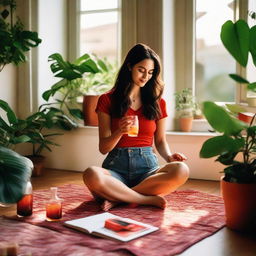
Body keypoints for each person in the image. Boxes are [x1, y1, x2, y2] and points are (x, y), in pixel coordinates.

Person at [83, 43, 189, 211]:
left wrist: (169, 157)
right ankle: (143, 199)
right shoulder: (107, 99)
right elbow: (104, 148)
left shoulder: (158, 103)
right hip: (116, 169)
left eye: (151, 72)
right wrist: (119, 131)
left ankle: (120, 198)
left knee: (181, 170)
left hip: (147, 170)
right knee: (91, 174)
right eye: (141, 70)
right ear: (129, 66)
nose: (146, 76)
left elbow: (160, 141)